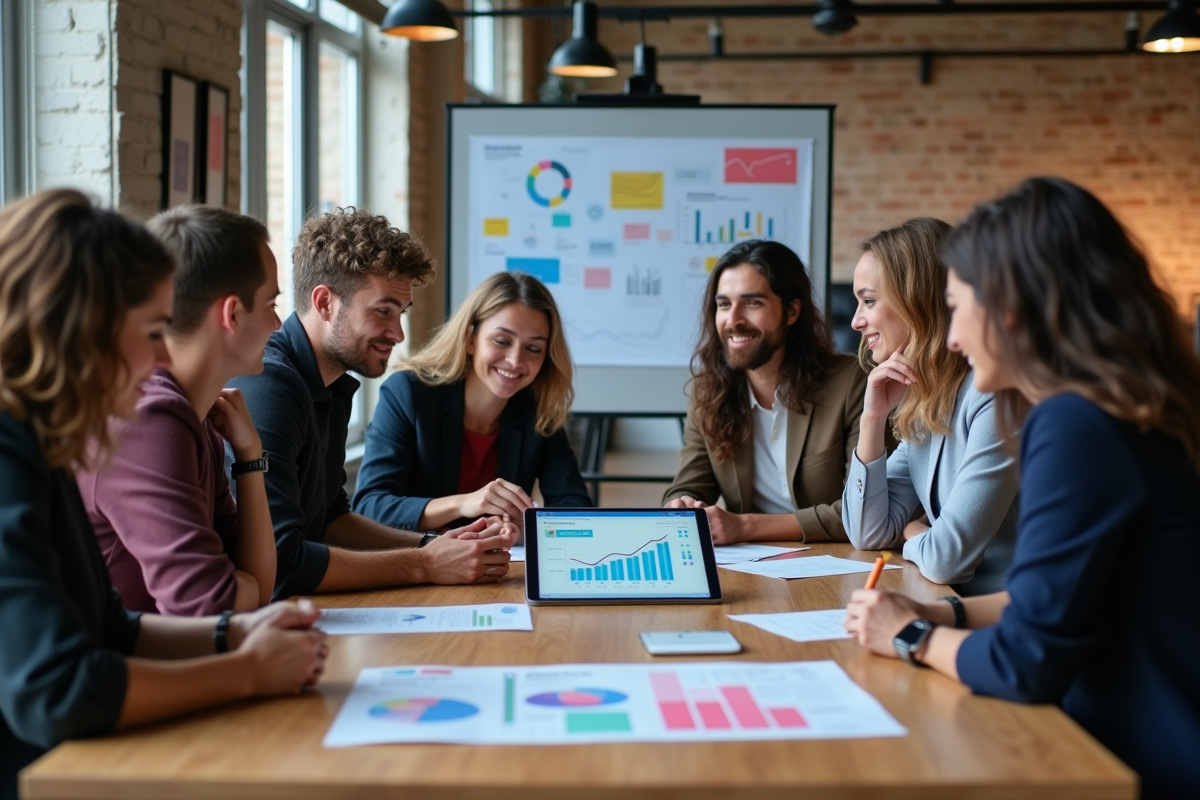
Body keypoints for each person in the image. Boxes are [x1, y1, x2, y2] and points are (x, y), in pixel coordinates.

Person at [843, 177, 1200, 799]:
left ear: (1012, 306)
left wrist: (909, 637)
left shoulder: (1072, 424)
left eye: (960, 308)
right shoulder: (1127, 407)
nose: (951, 337)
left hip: (1131, 757)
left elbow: (1026, 660)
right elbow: (1057, 597)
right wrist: (937, 611)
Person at [0, 190, 328, 800]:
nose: (160, 356)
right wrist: (246, 670)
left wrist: (237, 638)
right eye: (151, 331)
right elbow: (57, 690)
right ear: (81, 331)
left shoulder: (43, 441)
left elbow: (110, 627)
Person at [230, 207, 517, 599]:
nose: (398, 333)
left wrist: (431, 545)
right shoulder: (270, 387)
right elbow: (282, 562)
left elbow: (332, 520)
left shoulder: (332, 383)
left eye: (401, 313)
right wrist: (426, 564)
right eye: (383, 311)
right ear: (325, 302)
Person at [76, 207, 280, 615]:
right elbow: (208, 605)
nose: (277, 323)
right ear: (232, 314)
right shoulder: (150, 417)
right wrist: (237, 585)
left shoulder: (198, 417)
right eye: (271, 303)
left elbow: (258, 587)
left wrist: (250, 458)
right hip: (121, 673)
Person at [842, 218, 1019, 595]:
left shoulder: (993, 395)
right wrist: (872, 418)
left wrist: (912, 531)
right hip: (947, 604)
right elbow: (867, 533)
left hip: (1010, 622)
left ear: (917, 302)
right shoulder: (927, 403)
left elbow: (945, 560)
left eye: (869, 301)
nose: (856, 321)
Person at [663, 240, 867, 544]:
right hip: (751, 564)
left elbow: (863, 513)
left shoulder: (851, 383)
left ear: (792, 311)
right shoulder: (709, 392)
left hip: (836, 559)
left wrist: (744, 526)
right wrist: (681, 504)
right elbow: (689, 484)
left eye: (752, 303)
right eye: (723, 305)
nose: (733, 321)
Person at [353, 271, 592, 531]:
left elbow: (575, 506)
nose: (515, 360)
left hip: (495, 564)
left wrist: (528, 526)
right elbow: (370, 507)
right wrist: (464, 504)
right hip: (420, 564)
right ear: (470, 339)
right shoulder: (408, 394)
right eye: (502, 341)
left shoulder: (538, 411)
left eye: (533, 348)